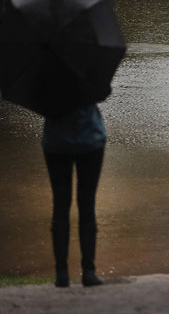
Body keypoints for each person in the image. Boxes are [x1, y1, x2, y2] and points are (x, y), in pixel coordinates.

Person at [43, 105, 106, 288]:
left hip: (56, 140)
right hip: (90, 138)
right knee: (87, 205)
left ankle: (61, 274)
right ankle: (89, 272)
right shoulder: (90, 76)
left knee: (60, 206)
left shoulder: (46, 76)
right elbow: (104, 91)